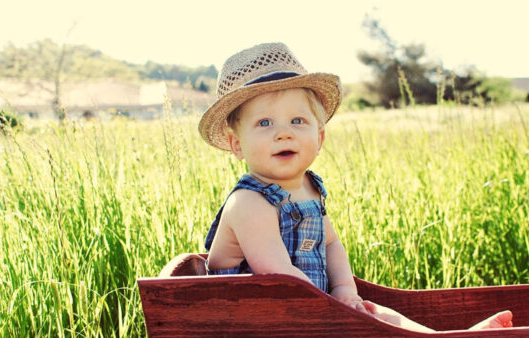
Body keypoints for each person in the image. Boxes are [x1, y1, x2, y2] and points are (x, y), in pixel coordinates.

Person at [199, 42, 513, 332]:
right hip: (257, 321)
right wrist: (337, 310)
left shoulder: (309, 189)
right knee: (363, 322)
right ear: (237, 144)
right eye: (264, 123)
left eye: (297, 121)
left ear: (319, 138)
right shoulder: (249, 204)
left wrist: (346, 292)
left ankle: (442, 337)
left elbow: (332, 245)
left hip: (306, 312)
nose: (284, 133)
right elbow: (280, 278)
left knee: (376, 313)